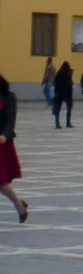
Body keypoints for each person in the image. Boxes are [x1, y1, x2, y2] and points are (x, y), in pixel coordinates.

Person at [0, 76, 28, 224]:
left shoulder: (8, 97)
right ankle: (20, 206)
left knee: (2, 183)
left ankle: (19, 206)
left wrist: (4, 135)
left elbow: (10, 120)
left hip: (1, 144)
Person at [52, 61, 73, 129]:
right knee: (69, 109)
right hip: (67, 93)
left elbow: (55, 83)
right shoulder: (68, 73)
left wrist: (56, 92)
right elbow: (70, 83)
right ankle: (68, 123)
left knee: (57, 110)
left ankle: (57, 124)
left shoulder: (59, 73)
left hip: (59, 93)